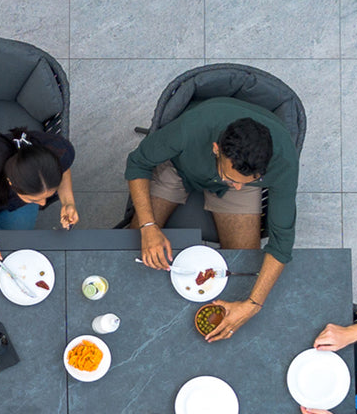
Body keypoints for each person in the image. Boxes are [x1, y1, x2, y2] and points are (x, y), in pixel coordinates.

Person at [124, 99, 300, 342]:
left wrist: (253, 304)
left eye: (250, 179)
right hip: (180, 167)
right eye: (231, 178)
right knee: (133, 246)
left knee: (244, 265)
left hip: (238, 181)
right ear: (216, 149)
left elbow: (282, 242)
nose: (236, 187)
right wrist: (148, 226)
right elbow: (138, 163)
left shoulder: (282, 162)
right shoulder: (190, 128)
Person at [0, 128, 78, 269]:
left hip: (19, 204)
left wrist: (68, 202)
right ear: (11, 183)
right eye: (34, 200)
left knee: (16, 243)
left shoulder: (60, 150)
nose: (43, 203)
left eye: (45, 196)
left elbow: (63, 169)